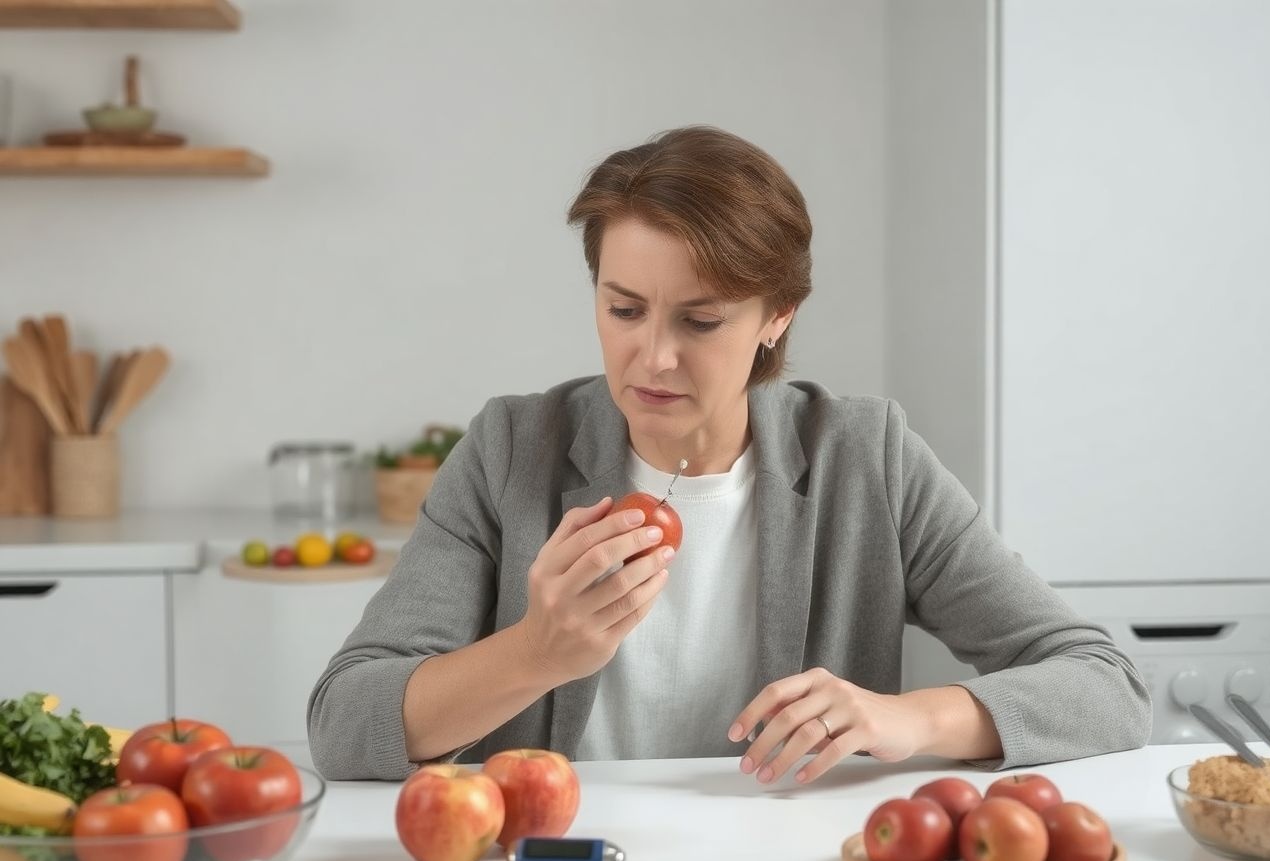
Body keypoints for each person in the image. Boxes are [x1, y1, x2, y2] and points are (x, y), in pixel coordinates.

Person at [307, 126, 1151, 784]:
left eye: (701, 320)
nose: (653, 357)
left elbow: (1106, 684)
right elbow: (344, 720)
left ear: (777, 316)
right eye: (624, 310)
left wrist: (910, 718)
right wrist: (536, 652)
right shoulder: (510, 451)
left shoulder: (867, 458)